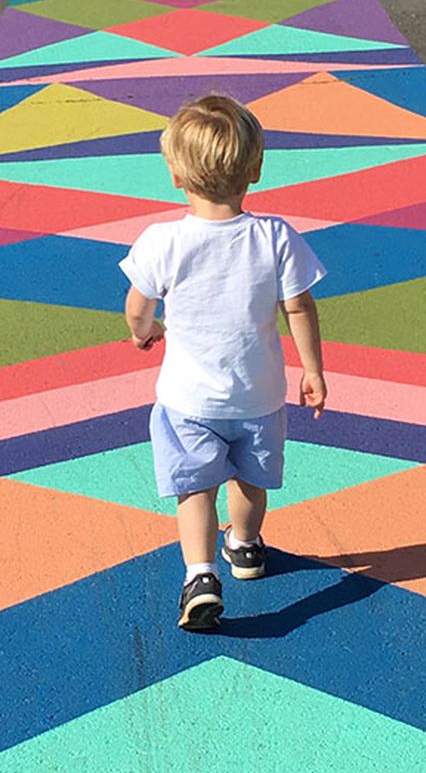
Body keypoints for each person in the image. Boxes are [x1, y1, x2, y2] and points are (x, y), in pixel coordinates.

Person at [120, 95, 328, 632]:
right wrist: (313, 370)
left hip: (188, 400)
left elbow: (138, 306)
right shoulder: (276, 237)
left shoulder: (163, 242)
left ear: (175, 176)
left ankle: (201, 575)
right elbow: (299, 307)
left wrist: (144, 332)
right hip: (259, 395)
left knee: (196, 488)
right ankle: (246, 545)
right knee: (250, 481)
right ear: (255, 170)